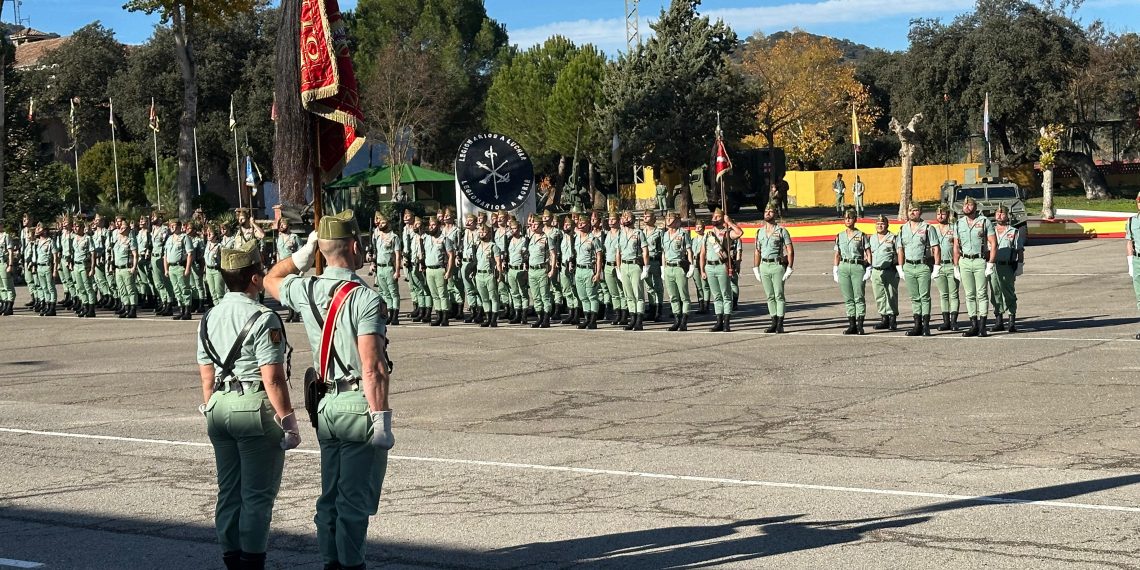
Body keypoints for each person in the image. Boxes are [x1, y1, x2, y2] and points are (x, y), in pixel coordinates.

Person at [264, 210, 394, 570]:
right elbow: (372, 366)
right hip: (357, 403)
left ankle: (331, 562)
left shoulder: (305, 287)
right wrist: (381, 417)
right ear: (354, 246)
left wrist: (301, 259)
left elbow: (271, 278)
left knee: (331, 496)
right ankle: (350, 565)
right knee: (354, 500)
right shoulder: (364, 298)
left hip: (326, 406)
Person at [197, 240, 298, 570]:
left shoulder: (210, 316)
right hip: (253, 405)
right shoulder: (263, 317)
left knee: (229, 491)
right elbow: (273, 378)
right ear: (255, 279)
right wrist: (288, 420)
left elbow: (206, 374)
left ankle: (232, 558)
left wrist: (212, 406)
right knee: (257, 494)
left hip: (219, 406)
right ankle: (252, 561)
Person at [953, 196, 997, 337]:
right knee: (969, 295)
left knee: (982, 294)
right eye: (965, 205)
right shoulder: (959, 223)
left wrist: (990, 263)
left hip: (979, 260)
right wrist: (956, 265)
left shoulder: (984, 222)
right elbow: (956, 245)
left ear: (975, 207)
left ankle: (982, 326)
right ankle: (973, 325)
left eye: (970, 205)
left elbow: (993, 243)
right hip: (965, 261)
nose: (966, 207)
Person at [898, 204, 942, 336]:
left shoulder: (928, 228)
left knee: (924, 297)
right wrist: (900, 267)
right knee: (914, 297)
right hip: (909, 266)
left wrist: (937, 266)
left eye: (915, 210)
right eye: (910, 210)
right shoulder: (903, 229)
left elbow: (936, 248)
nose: (912, 212)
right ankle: (917, 325)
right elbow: (900, 249)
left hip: (923, 266)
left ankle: (926, 326)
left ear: (920, 212)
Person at [752, 203, 794, 333]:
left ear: (775, 214)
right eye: (766, 211)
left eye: (770, 211)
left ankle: (780, 324)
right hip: (764, 266)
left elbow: (790, 250)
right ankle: (773, 322)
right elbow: (757, 251)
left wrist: (790, 268)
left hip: (777, 266)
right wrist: (755, 268)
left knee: (779, 295)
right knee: (769, 296)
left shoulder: (781, 231)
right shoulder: (759, 232)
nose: (767, 213)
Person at [699, 209, 743, 332]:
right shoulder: (708, 234)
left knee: (726, 295)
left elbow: (739, 233)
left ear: (723, 219)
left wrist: (730, 223)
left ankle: (726, 323)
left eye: (718, 217)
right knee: (716, 296)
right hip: (709, 266)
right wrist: (702, 270)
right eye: (714, 216)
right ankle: (718, 321)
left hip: (722, 266)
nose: (715, 219)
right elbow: (702, 253)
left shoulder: (727, 233)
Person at [833, 208, 870, 335]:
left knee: (858, 297)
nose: (848, 220)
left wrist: (869, 267)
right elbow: (837, 254)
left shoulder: (861, 235)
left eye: (850, 217)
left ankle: (860, 325)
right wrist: (835, 268)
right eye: (846, 218)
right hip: (843, 266)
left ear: (855, 219)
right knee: (848, 297)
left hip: (857, 266)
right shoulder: (840, 235)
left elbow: (868, 253)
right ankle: (852, 325)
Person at [989, 205, 1025, 333]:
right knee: (995, 293)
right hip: (993, 266)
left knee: (1009, 293)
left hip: (1007, 266)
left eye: (1002, 213)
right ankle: (999, 320)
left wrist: (1020, 265)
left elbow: (1019, 250)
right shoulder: (990, 231)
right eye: (997, 213)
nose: (999, 215)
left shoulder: (1013, 232)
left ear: (1007, 215)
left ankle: (1011, 321)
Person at [662, 211, 694, 331]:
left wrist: (691, 266)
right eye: (667, 219)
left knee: (683, 296)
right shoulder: (665, 235)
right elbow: (664, 252)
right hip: (668, 267)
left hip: (679, 267)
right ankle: (676, 320)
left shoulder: (683, 233)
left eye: (671, 219)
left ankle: (684, 322)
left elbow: (689, 251)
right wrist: (663, 268)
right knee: (673, 296)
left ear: (678, 221)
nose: (668, 221)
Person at [617, 210, 648, 331]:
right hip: (624, 265)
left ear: (633, 219)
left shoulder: (638, 233)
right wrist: (618, 268)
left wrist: (646, 267)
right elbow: (618, 252)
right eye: (623, 217)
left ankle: (639, 321)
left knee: (638, 294)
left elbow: (645, 250)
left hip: (635, 265)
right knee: (628, 295)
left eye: (627, 217)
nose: (625, 219)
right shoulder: (620, 234)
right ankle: (632, 319)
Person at [423, 215, 455, 326]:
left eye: (433, 225)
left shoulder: (444, 239)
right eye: (430, 225)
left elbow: (451, 255)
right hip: (429, 269)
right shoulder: (426, 238)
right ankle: (438, 316)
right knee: (434, 295)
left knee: (443, 294)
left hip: (439, 269)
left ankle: (445, 317)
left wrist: (449, 271)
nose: (431, 227)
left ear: (439, 226)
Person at [868, 215, 900, 331]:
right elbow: (868, 253)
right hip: (876, 271)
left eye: (882, 224)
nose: (880, 226)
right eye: (877, 224)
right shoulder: (872, 238)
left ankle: (892, 320)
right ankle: (884, 319)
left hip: (889, 270)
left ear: (887, 225)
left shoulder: (893, 238)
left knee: (891, 295)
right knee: (879, 296)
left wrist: (898, 268)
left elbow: (898, 253)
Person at [931, 205, 960, 331]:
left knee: (953, 294)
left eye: (943, 214)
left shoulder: (954, 229)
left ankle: (954, 321)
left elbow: (958, 247)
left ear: (948, 215)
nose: (940, 216)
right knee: (943, 294)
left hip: (951, 265)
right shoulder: (933, 230)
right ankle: (946, 322)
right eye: (938, 214)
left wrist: (956, 266)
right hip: (939, 265)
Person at [371, 213, 402, 326]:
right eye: (380, 223)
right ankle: (388, 314)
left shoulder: (394, 237)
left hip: (389, 267)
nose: (381, 224)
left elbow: (397, 255)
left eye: (383, 222)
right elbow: (376, 252)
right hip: (380, 267)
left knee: (393, 292)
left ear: (388, 224)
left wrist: (397, 271)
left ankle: (395, 316)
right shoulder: (378, 237)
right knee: (384, 293)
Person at [572, 215, 602, 329]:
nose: (580, 224)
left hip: (589, 270)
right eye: (579, 222)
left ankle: (593, 320)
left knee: (592, 296)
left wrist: (598, 273)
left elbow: (599, 256)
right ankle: (586, 319)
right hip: (579, 270)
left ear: (588, 224)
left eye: (583, 223)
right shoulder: (576, 238)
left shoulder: (593, 239)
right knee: (583, 296)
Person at [472, 223, 503, 327]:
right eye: (480, 232)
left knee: (493, 297)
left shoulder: (493, 247)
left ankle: (494, 319)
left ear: (489, 233)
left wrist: (499, 275)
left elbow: (498, 262)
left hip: (489, 274)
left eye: (484, 232)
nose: (482, 234)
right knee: (484, 298)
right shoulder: (477, 246)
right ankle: (488, 318)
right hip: (479, 274)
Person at [165, 219, 196, 321]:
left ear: (179, 227)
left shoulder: (184, 238)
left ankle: (187, 311)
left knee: (184, 289)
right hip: (172, 267)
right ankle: (181, 310)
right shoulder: (169, 239)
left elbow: (190, 254)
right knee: (176, 290)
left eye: (174, 226)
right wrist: (166, 269)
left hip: (180, 266)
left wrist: (187, 269)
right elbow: (165, 255)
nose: (172, 228)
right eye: (171, 226)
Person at [641, 209, 666, 322]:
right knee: (649, 287)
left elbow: (662, 250)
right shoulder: (641, 232)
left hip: (655, 261)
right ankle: (651, 309)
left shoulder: (659, 232)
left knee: (658, 287)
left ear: (654, 219)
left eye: (647, 216)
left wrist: (663, 265)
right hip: (645, 262)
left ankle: (659, 310)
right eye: (644, 216)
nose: (645, 217)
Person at [112, 219, 139, 319]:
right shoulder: (117, 240)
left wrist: (134, 267)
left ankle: (133, 309)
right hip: (118, 268)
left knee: (130, 289)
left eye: (123, 227)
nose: (120, 229)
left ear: (128, 229)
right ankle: (126, 308)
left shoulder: (130, 240)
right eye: (120, 227)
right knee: (122, 290)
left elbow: (135, 255)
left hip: (127, 268)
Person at [602, 212, 626, 325]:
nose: (610, 221)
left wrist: (619, 267)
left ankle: (624, 314)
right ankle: (617, 314)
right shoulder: (606, 234)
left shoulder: (622, 234)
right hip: (608, 265)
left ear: (618, 220)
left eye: (613, 219)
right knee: (613, 292)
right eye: (609, 219)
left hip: (618, 265)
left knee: (622, 291)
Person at [70, 218, 96, 318]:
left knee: (88, 287)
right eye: (74, 226)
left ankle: (91, 308)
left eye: (77, 226)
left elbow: (92, 253)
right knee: (80, 288)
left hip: (85, 265)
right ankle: (85, 306)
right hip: (76, 265)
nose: (75, 228)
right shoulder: (74, 238)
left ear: (82, 228)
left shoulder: (87, 238)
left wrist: (92, 268)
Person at [33, 223, 58, 316]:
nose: (37, 229)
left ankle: (52, 307)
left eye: (40, 228)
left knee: (50, 287)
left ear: (44, 230)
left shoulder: (50, 241)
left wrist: (55, 269)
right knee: (44, 288)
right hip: (39, 267)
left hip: (47, 266)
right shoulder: (37, 241)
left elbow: (55, 256)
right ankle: (47, 305)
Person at [1126, 193, 1140, 339]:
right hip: (1138, 261)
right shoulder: (1131, 221)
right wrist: (1130, 262)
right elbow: (1129, 241)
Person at [204, 225, 228, 308]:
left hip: (217, 270)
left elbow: (225, 259)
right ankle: (216, 308)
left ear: (216, 236)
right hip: (208, 270)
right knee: (212, 292)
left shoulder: (220, 246)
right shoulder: (207, 245)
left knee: (219, 292)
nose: (208, 235)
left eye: (210, 233)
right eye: (208, 233)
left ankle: (221, 309)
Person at [690, 218, 710, 314]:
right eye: (696, 227)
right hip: (694, 263)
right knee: (698, 286)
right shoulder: (693, 239)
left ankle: (706, 305)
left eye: (700, 227)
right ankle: (701, 305)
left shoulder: (706, 238)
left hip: (703, 262)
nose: (698, 229)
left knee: (705, 285)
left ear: (703, 228)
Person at [0, 221, 13, 315]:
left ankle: (9, 306)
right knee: (1, 287)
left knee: (7, 285)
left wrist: (10, 265)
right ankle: (4, 304)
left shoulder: (6, 236)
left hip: (4, 263)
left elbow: (10, 252)